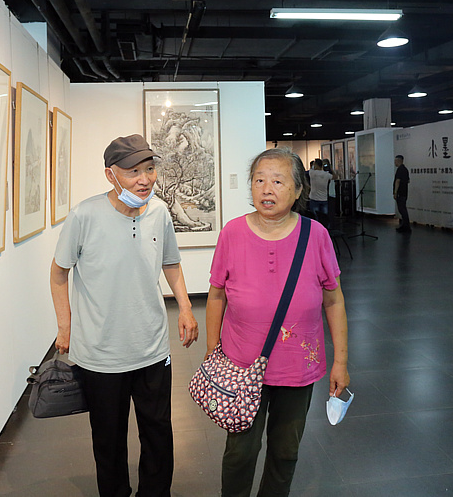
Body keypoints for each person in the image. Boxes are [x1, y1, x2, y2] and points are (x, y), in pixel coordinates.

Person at [50, 134, 199, 497]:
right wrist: (65, 327)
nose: (145, 179)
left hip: (151, 348)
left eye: (149, 169)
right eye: (133, 172)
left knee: (158, 434)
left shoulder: (160, 212)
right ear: (110, 175)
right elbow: (58, 273)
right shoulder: (84, 215)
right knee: (109, 440)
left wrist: (186, 307)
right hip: (100, 354)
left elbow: (171, 262)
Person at [205, 147, 350, 497]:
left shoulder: (315, 236)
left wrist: (341, 362)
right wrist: (214, 354)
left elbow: (333, 299)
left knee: (286, 452)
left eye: (278, 181)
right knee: (240, 452)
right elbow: (216, 295)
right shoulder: (233, 233)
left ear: (299, 190)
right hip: (240, 365)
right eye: (259, 180)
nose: (266, 189)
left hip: (298, 366)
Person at [308, 158, 332, 228]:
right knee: (324, 218)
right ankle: (325, 231)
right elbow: (335, 176)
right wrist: (330, 168)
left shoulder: (312, 173)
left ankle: (315, 231)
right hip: (324, 199)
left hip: (314, 198)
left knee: (315, 219)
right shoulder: (326, 174)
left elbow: (311, 169)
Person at [394, 154, 411, 233]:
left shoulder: (400, 170)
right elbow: (408, 180)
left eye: (395, 161)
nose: (395, 162)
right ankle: (405, 226)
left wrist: (395, 192)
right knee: (403, 209)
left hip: (400, 193)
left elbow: (397, 181)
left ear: (398, 160)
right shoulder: (405, 170)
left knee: (402, 210)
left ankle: (406, 227)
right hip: (404, 193)